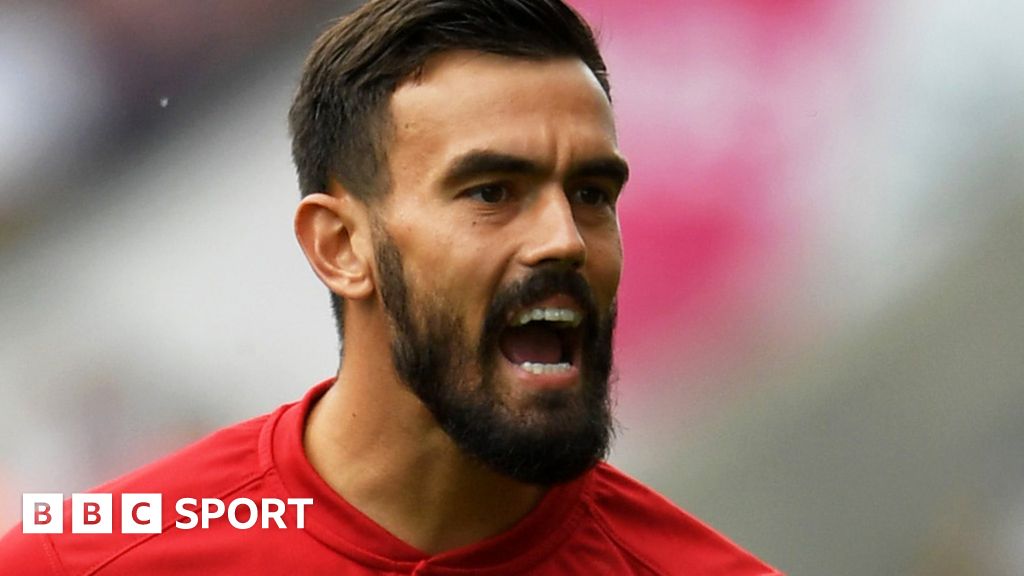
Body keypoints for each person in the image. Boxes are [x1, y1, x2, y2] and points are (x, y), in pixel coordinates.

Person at [0, 0, 782, 573]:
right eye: (491, 192)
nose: (564, 241)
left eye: (591, 194)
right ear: (341, 246)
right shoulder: (89, 558)